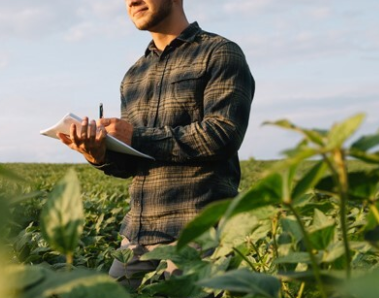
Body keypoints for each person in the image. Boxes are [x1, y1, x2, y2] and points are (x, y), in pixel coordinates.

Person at [57, 0, 254, 290]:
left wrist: (135, 136)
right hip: (137, 235)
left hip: (198, 232)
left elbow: (222, 134)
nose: (131, 2)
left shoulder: (220, 52)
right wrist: (99, 154)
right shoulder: (133, 75)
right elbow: (133, 163)